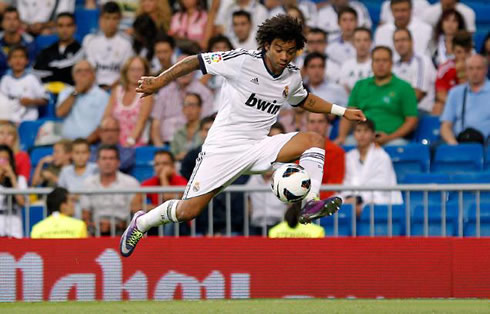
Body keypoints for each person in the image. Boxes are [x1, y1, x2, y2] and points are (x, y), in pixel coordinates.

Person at [121, 14, 365, 257]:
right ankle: (142, 223)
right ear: (266, 44)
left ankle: (310, 202)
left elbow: (304, 99)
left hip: (259, 146)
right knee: (188, 212)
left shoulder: (292, 75)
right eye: (279, 49)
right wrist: (158, 81)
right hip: (223, 149)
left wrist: (342, 111)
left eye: (290, 51)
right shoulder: (242, 61)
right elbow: (195, 61)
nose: (284, 56)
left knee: (315, 140)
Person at [335, 46, 418, 146]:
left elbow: (412, 120)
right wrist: (342, 136)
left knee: (398, 145)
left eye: (385, 60)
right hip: (362, 137)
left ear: (391, 63)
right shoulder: (360, 85)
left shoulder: (404, 87)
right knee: (345, 144)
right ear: (371, 64)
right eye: (377, 60)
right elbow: (348, 114)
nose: (380, 64)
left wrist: (390, 137)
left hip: (393, 139)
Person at [150, 53, 214, 146]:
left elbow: (206, 123)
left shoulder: (204, 93)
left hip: (193, 144)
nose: (184, 73)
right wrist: (160, 148)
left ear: (194, 71)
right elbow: (156, 123)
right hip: (166, 143)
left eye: (187, 69)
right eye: (180, 69)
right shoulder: (164, 92)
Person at [341, 119, 403, 217]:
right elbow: (346, 182)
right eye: (358, 130)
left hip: (378, 200)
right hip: (352, 201)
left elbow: (382, 185)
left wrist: (359, 199)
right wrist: (351, 198)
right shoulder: (349, 156)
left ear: (373, 134)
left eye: (366, 131)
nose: (362, 135)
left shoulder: (382, 157)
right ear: (354, 134)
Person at [81, 144, 139, 236]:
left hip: (123, 230)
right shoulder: (88, 183)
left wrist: (117, 225)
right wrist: (92, 225)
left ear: (118, 162)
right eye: (104, 158)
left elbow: (135, 212)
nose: (107, 162)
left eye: (111, 158)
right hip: (94, 230)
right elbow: (85, 214)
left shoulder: (131, 183)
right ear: (97, 162)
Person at [247, 122, 288, 235]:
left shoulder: (288, 170)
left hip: (281, 226)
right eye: (270, 138)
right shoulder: (253, 167)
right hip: (255, 227)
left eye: (277, 139)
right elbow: (248, 202)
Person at [102, 56, 153, 147]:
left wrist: (130, 141)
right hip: (114, 143)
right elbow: (107, 116)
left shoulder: (147, 94)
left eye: (139, 69)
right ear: (126, 72)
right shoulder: (116, 91)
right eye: (132, 69)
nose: (135, 73)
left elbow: (141, 121)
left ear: (145, 72)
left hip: (135, 143)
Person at [440, 54, 490, 145]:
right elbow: (445, 126)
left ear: (486, 70)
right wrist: (452, 143)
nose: (475, 72)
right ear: (466, 71)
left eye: (479, 68)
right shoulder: (455, 93)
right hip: (461, 143)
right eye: (471, 68)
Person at [82, 1, 133, 89]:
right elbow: (86, 69)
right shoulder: (89, 40)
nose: (110, 22)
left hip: (118, 89)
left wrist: (110, 88)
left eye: (114, 18)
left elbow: (126, 72)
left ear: (120, 20)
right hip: (93, 88)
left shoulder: (127, 43)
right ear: (100, 19)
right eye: (107, 18)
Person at [56, 60, 110, 141]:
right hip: (66, 143)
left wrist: (83, 144)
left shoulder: (102, 96)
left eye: (87, 71)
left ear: (93, 75)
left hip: (89, 144)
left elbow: (102, 126)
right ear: (73, 76)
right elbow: (60, 113)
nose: (83, 74)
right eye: (79, 71)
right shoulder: (66, 92)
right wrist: (76, 92)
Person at [0, 45, 49, 123]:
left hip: (29, 120)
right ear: (8, 62)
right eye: (14, 57)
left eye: (21, 57)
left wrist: (32, 101)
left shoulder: (32, 78)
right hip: (8, 122)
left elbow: (45, 100)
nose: (18, 60)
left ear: (27, 61)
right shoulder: (5, 80)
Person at [33, 12, 83, 88]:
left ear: (75, 28)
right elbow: (36, 73)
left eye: (68, 25)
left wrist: (51, 70)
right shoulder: (46, 51)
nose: (64, 29)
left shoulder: (81, 50)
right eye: (60, 26)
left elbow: (76, 74)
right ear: (56, 28)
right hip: (48, 93)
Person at [393, 28, 436, 115]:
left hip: (420, 110)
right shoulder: (394, 65)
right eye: (397, 41)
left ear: (412, 42)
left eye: (403, 40)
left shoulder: (422, 61)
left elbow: (418, 94)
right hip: (399, 111)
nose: (400, 44)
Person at [306, 112, 345, 199]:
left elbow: (334, 185)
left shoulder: (337, 152)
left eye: (320, 122)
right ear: (307, 125)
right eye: (312, 122)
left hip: (323, 204)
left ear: (327, 125)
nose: (316, 126)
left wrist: (312, 200)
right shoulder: (297, 150)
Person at [434, 31, 473, 115]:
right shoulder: (445, 68)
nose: (462, 56)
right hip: (452, 105)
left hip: (474, 104)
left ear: (470, 51)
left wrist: (462, 73)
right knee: (438, 107)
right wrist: (457, 105)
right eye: (459, 52)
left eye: (466, 52)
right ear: (453, 51)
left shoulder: (477, 67)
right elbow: (440, 94)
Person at [0, 6, 36, 77]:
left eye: (15, 19)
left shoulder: (30, 42)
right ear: (1, 23)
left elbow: (32, 68)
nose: (12, 22)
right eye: (8, 19)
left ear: (20, 22)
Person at [0, 145, 27, 238]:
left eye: (5, 159)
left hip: (14, 229)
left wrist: (12, 178)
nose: (3, 163)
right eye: (0, 159)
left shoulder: (20, 179)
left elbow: (22, 202)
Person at [339, 27, 373, 94]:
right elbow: (343, 88)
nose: (362, 44)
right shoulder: (346, 65)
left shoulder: (377, 65)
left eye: (365, 40)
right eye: (358, 40)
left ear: (370, 42)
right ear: (353, 43)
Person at [170, 93, 204, 161]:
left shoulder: (206, 129)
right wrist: (179, 157)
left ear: (200, 108)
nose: (189, 109)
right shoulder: (178, 133)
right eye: (186, 105)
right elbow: (171, 157)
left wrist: (189, 155)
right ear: (183, 109)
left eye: (193, 105)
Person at [180, 115, 214, 180]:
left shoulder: (227, 154)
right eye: (207, 130)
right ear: (200, 132)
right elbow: (185, 180)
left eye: (213, 129)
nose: (210, 132)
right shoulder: (190, 157)